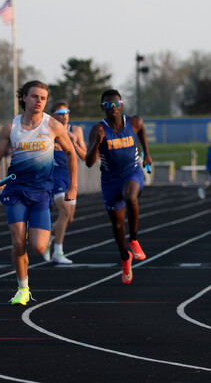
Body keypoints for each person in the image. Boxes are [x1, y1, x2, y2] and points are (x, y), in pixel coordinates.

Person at [0, 80, 77, 305]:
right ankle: (23, 288)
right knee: (18, 241)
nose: (39, 101)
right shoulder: (11, 127)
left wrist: (73, 186)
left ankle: (34, 235)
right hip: (16, 191)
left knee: (38, 247)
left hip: (41, 192)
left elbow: (71, 153)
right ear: (24, 98)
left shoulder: (53, 125)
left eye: (43, 98)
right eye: (35, 96)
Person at [86, 89, 152, 285]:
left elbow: (142, 131)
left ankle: (134, 239)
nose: (113, 108)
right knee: (117, 225)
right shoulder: (98, 129)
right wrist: (96, 144)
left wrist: (147, 154)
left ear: (121, 105)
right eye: (108, 105)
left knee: (130, 196)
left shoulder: (134, 122)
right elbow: (89, 162)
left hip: (132, 172)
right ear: (102, 108)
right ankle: (125, 257)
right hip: (110, 180)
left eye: (116, 104)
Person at [42, 101, 87, 264]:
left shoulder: (76, 131)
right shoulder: (48, 130)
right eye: (61, 113)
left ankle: (48, 237)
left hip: (70, 177)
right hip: (55, 176)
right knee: (65, 212)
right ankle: (58, 252)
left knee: (69, 217)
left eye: (67, 112)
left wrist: (73, 143)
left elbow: (85, 157)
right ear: (53, 116)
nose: (65, 116)